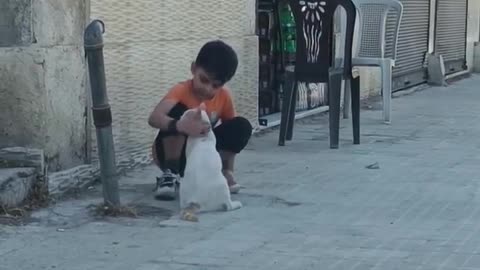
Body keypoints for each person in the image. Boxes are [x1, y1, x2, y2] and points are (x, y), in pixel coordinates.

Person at [148, 40, 253, 200]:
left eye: (215, 85)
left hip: (199, 157)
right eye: (203, 80)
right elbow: (154, 118)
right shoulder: (181, 90)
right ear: (193, 69)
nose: (208, 88)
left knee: (241, 126)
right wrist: (181, 125)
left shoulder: (224, 96)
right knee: (180, 110)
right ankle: (170, 174)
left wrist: (228, 171)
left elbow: (231, 132)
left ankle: (218, 172)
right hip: (173, 153)